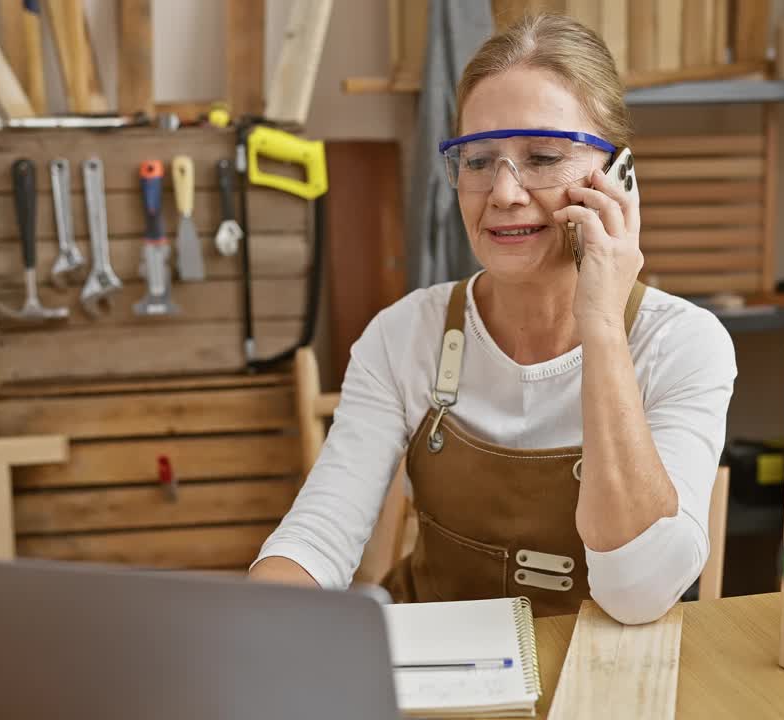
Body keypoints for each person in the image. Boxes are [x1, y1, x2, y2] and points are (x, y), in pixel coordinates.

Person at [249, 13, 737, 625]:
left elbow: (636, 595)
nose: (503, 193)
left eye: (542, 156)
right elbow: (318, 539)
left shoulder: (683, 345)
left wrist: (603, 327)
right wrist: (252, 630)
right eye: (478, 160)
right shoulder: (406, 336)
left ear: (617, 176)